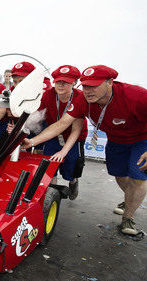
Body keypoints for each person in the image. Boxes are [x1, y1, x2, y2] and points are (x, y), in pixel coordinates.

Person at [22, 65, 147, 236]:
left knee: (137, 177)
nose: (88, 91)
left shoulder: (136, 95)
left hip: (144, 138)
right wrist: (32, 141)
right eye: (86, 86)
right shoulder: (83, 100)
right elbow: (62, 123)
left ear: (110, 82)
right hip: (116, 139)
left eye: (94, 85)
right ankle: (130, 199)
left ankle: (128, 217)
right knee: (118, 174)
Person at [37, 65, 88, 200]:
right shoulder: (48, 95)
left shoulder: (81, 97)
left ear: (74, 83)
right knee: (49, 165)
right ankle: (53, 195)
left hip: (74, 136)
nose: (61, 85)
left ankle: (73, 182)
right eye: (58, 81)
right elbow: (36, 114)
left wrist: (63, 151)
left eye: (65, 82)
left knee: (71, 166)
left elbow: (76, 129)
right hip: (53, 135)